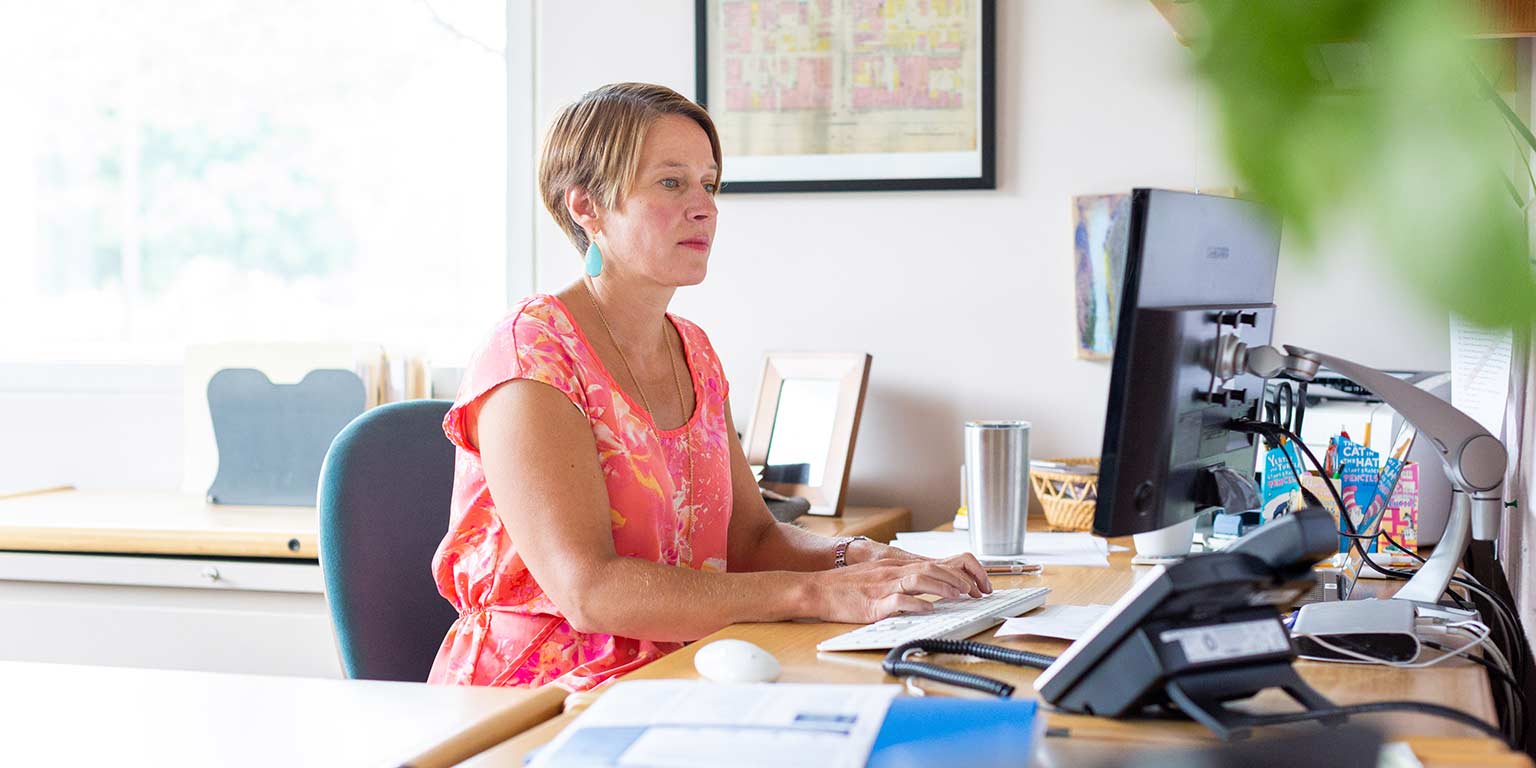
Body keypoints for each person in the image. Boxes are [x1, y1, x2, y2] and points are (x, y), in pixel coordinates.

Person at [428, 82, 989, 690]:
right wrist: (818, 591)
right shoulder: (531, 352)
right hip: (541, 693)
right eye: (671, 183)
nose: (705, 208)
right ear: (586, 206)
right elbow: (588, 590)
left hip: (685, 668)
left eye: (710, 185)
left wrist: (864, 559)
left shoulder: (692, 347)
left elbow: (750, 538)